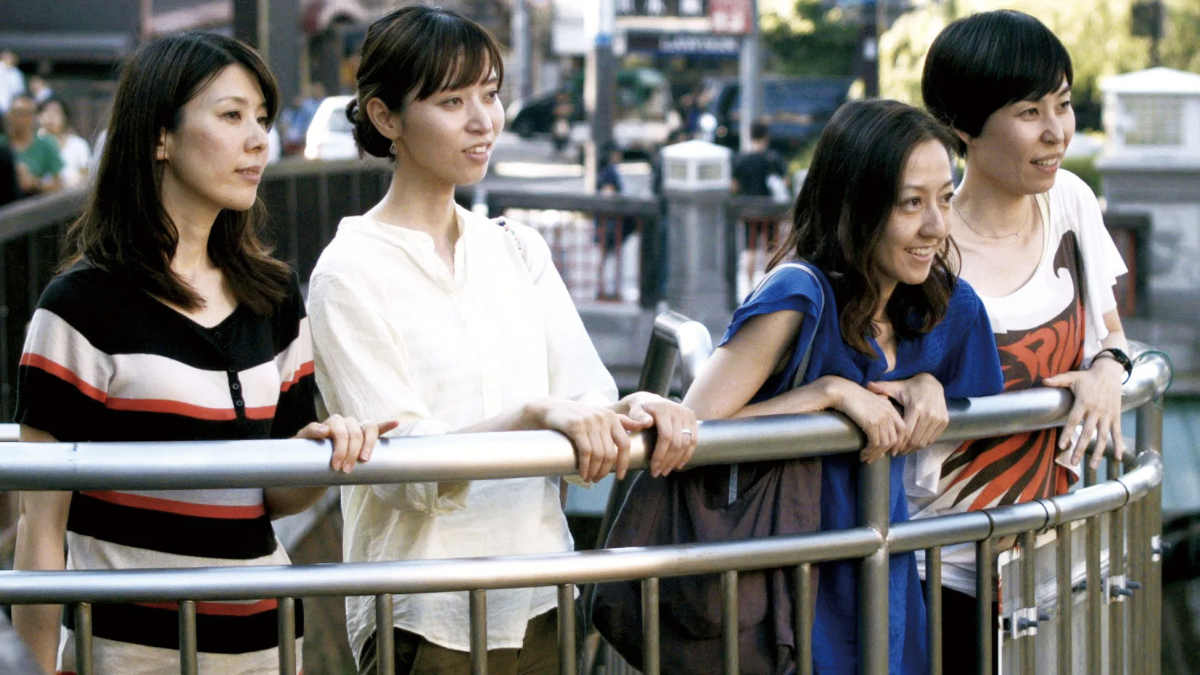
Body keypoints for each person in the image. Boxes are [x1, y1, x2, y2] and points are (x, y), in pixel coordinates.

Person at [305, 7, 698, 675]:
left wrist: (635, 409)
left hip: (544, 589)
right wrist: (531, 413)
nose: (484, 119)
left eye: (490, 93)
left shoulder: (516, 247)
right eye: (452, 100)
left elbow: (586, 397)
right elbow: (405, 470)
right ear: (385, 117)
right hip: (428, 613)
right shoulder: (348, 271)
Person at [12, 32, 389, 675]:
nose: (257, 140)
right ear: (160, 136)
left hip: (268, 646)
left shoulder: (271, 296)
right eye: (231, 115)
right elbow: (40, 525)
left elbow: (272, 497)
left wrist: (327, 446)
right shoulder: (79, 307)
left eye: (263, 120)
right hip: (131, 653)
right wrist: (38, 666)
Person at [682, 99, 1005, 675]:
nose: (935, 226)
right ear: (855, 205)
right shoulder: (798, 296)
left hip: (885, 574)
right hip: (787, 579)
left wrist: (927, 382)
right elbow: (695, 431)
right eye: (911, 203)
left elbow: (986, 410)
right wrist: (824, 394)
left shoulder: (947, 306)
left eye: (946, 198)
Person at [912, 11, 1131, 672]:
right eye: (1029, 111)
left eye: (1062, 105)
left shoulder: (1070, 203)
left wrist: (1108, 370)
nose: (1055, 131)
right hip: (935, 561)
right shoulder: (927, 241)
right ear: (964, 126)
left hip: (1048, 560)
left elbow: (1112, 334)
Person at [3, 93, 63, 195]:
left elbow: (58, 183)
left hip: (36, 204)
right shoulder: (2, 145)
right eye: (16, 113)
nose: (20, 119)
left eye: (25, 114)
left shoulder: (46, 144)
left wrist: (35, 183)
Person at [37, 97, 91, 188]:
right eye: (46, 112)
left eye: (55, 112)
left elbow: (87, 174)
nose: (50, 117)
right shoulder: (36, 145)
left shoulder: (78, 144)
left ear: (65, 117)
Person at [731, 118, 789, 200]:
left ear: (751, 136)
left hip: (746, 206)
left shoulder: (740, 158)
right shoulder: (774, 158)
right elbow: (786, 182)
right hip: (769, 206)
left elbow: (734, 187)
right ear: (767, 136)